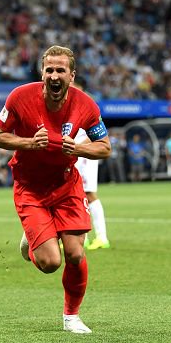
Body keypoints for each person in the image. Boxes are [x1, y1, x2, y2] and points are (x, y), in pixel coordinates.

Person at [0, 45, 111, 334]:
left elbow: (105, 147)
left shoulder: (86, 105)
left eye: (60, 70)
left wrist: (79, 148)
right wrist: (30, 143)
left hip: (66, 184)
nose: (54, 75)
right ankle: (34, 241)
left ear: (72, 75)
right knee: (49, 263)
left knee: (75, 254)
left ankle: (72, 316)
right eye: (49, 70)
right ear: (42, 73)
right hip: (30, 188)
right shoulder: (19, 97)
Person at [70, 78, 110, 250]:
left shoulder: (86, 103)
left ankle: (102, 237)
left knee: (89, 193)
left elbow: (97, 132)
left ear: (79, 86)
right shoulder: (69, 103)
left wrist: (80, 146)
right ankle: (82, 238)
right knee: (77, 194)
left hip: (85, 154)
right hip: (74, 152)